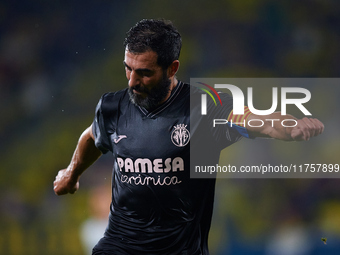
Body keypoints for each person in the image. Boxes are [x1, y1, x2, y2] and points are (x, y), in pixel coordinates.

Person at [53, 19, 324, 255]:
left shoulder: (204, 107)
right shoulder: (113, 107)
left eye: (145, 73)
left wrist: (290, 127)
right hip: (119, 245)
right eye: (128, 69)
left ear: (172, 69)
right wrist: (71, 173)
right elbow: (91, 135)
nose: (132, 82)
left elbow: (254, 119)